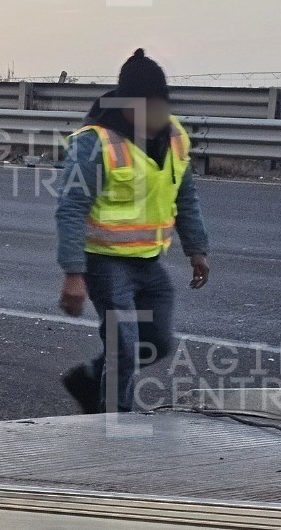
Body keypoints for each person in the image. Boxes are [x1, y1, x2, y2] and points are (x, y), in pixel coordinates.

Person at [56, 48, 211, 413]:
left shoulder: (175, 137)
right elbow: (71, 208)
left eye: (160, 107)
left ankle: (89, 380)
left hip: (149, 262)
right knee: (124, 348)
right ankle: (114, 422)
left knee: (156, 341)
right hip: (105, 264)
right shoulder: (94, 143)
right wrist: (73, 275)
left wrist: (197, 249)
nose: (157, 116)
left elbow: (185, 195)